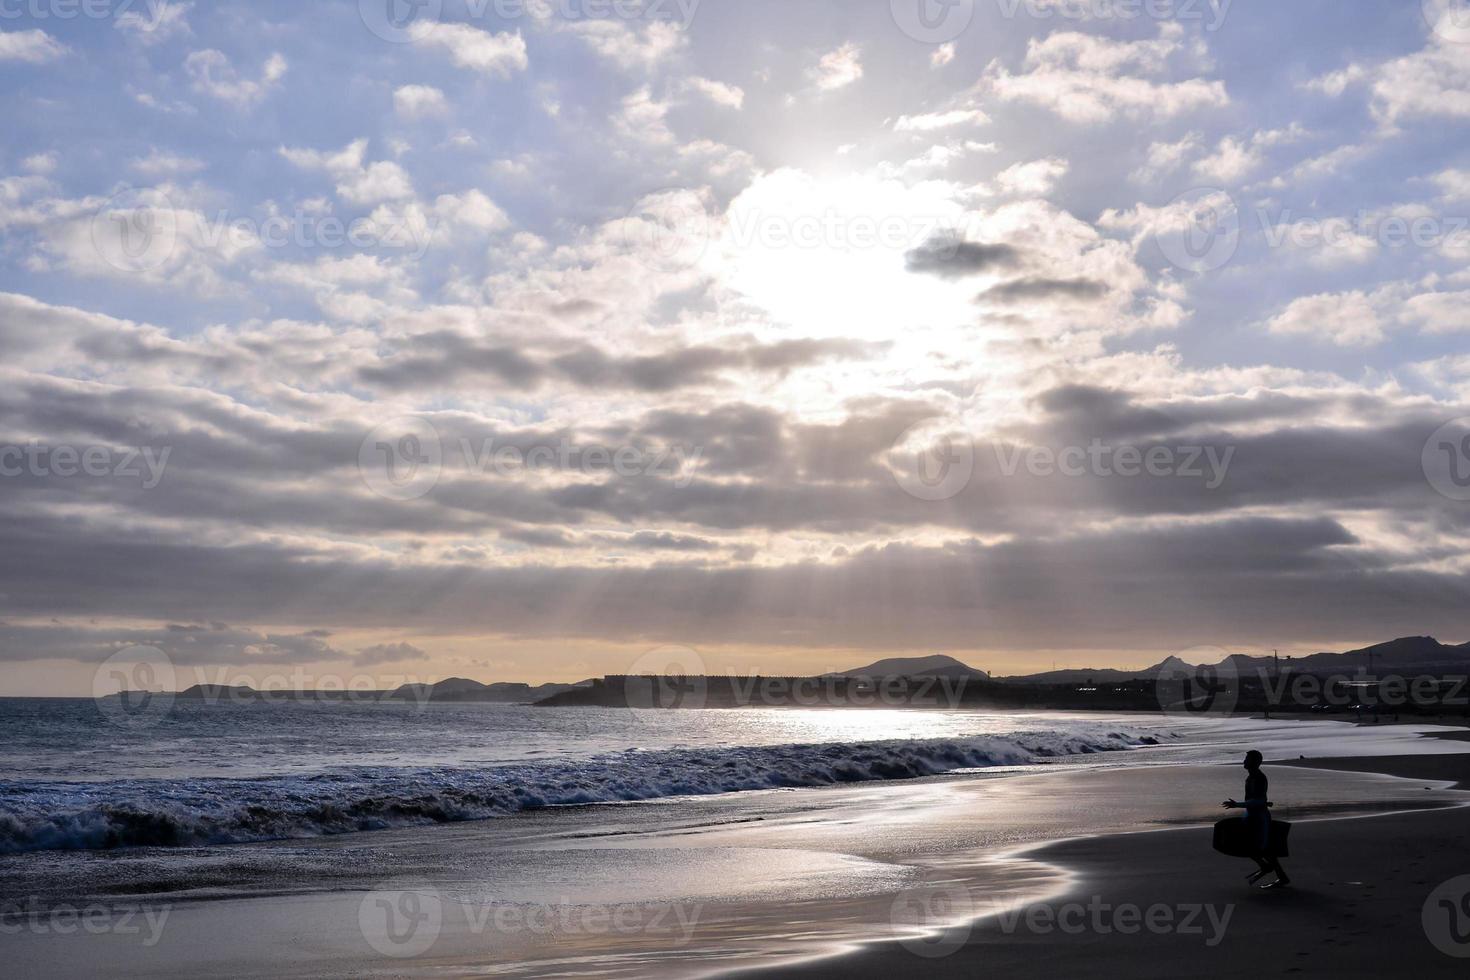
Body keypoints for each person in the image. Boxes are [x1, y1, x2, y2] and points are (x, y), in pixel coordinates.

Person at [1222, 749, 1290, 888]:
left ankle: (1268, 869)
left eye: (1247, 759)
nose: (1244, 761)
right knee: (1261, 849)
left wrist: (1237, 805)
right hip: (1252, 815)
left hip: (1259, 818)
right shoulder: (1251, 777)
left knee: (1258, 848)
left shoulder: (1258, 778)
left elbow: (1258, 801)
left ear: (1255, 762)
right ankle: (1276, 873)